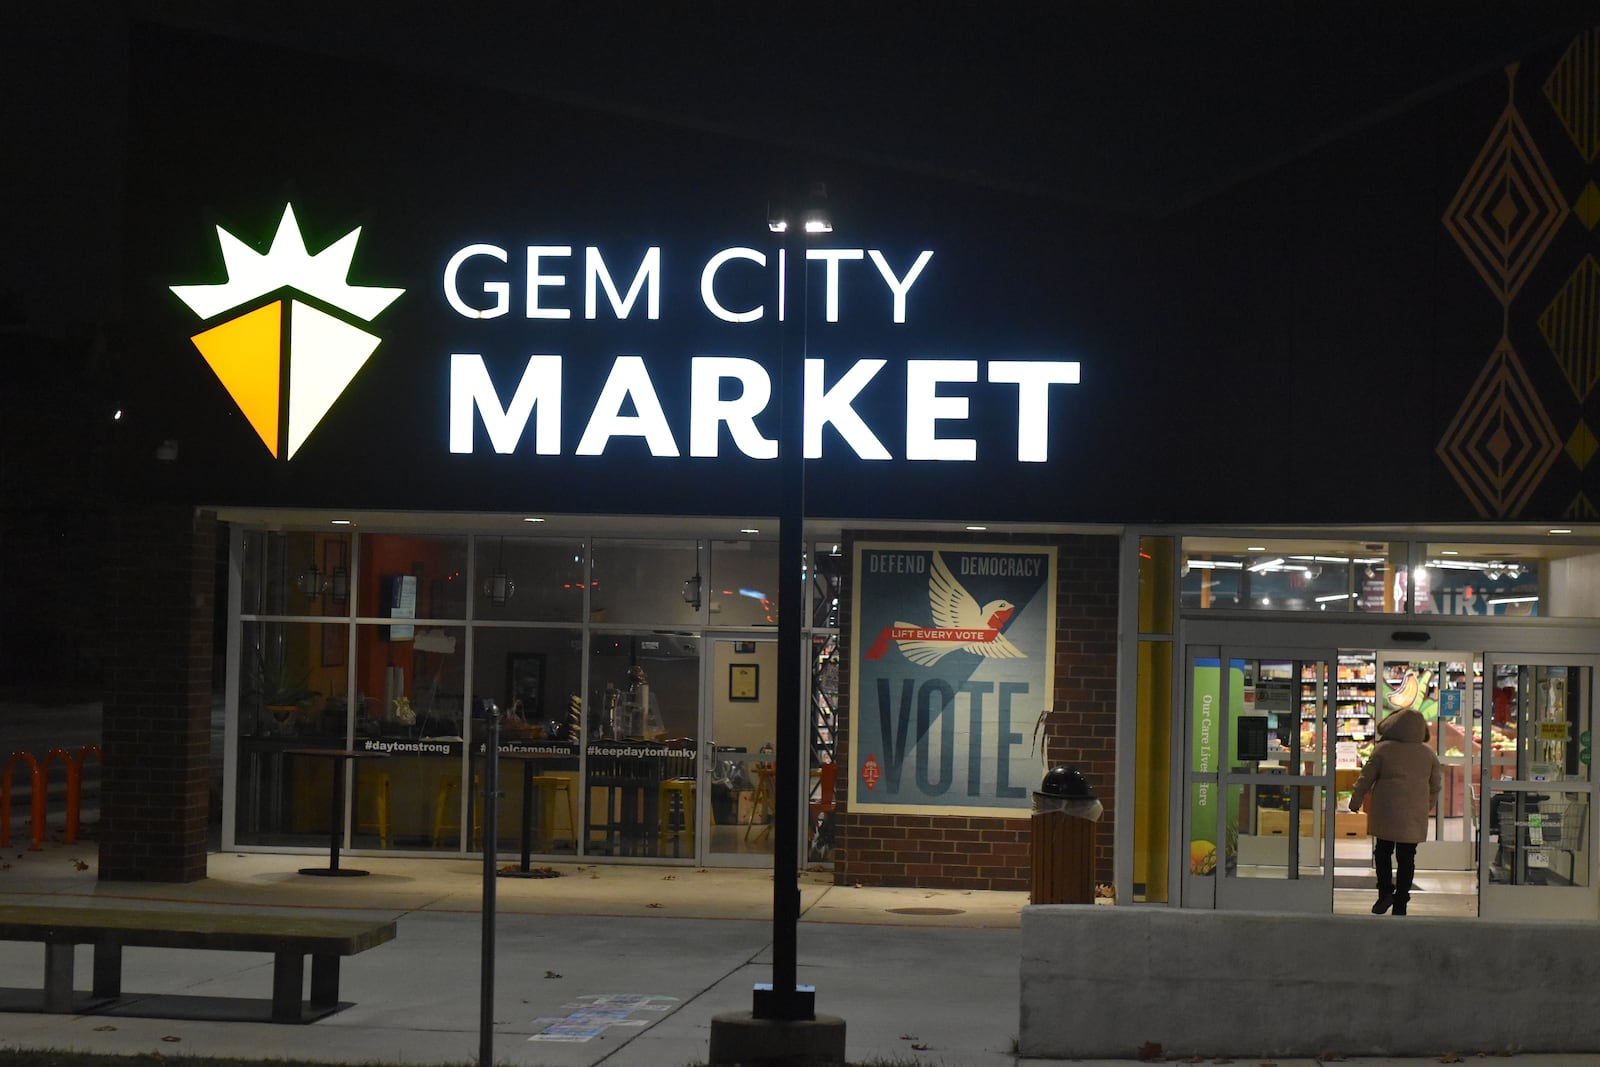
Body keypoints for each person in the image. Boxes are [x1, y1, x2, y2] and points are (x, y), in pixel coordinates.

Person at [1348, 703, 1442, 915]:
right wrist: (1425, 806)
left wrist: (1355, 801)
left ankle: (1385, 893)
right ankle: (1401, 901)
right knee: (1407, 857)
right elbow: (1436, 786)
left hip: (1386, 811)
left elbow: (1365, 778)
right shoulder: (1428, 754)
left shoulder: (1383, 750)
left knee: (1382, 852)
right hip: (1413, 815)